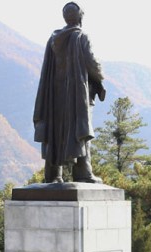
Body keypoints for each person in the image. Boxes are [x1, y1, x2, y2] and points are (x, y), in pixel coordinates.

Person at [34, 2, 105, 184]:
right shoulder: (81, 37)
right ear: (80, 16)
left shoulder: (53, 40)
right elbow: (92, 63)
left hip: (54, 96)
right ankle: (83, 173)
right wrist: (100, 79)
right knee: (80, 129)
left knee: (54, 132)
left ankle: (53, 175)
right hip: (76, 95)